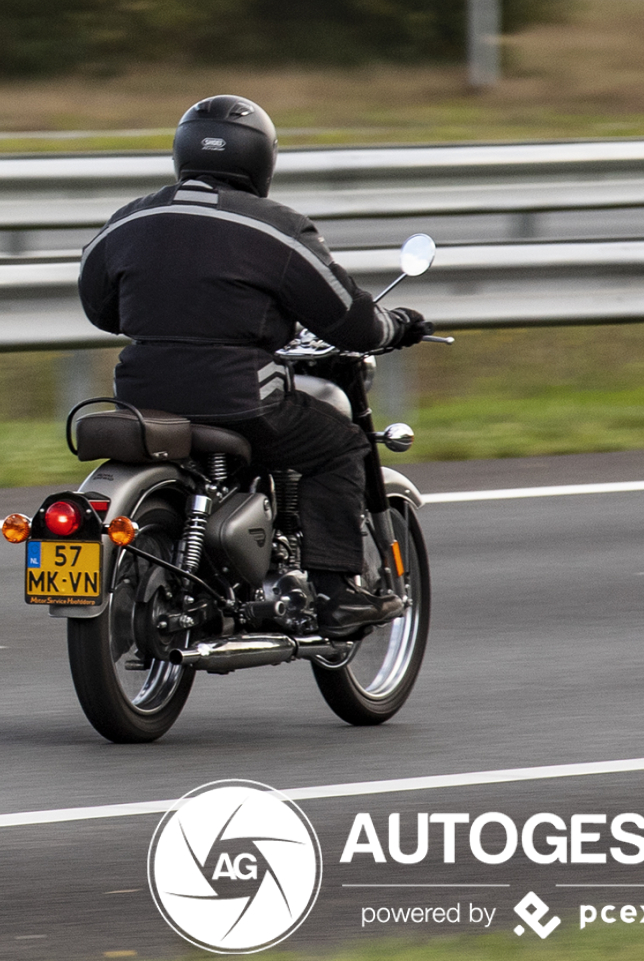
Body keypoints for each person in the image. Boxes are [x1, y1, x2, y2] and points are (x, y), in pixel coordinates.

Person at [76, 94, 431, 633]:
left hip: (140, 399)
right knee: (342, 445)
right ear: (261, 159)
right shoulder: (276, 228)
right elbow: (351, 322)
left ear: (183, 154)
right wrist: (396, 325)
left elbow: (101, 309)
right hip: (239, 400)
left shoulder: (128, 220)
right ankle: (337, 596)